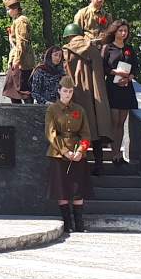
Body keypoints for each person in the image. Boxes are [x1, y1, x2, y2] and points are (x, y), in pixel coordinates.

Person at [62, 22, 115, 173]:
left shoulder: (67, 51)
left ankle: (79, 167)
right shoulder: (93, 49)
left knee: (78, 131)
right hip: (95, 96)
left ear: (69, 36)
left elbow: (66, 74)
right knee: (95, 128)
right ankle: (99, 165)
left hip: (77, 95)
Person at [45, 75, 91, 235]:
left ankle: (79, 224)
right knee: (62, 190)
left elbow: (86, 134)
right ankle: (67, 224)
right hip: (58, 154)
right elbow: (51, 133)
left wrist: (80, 151)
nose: (67, 94)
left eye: (70, 91)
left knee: (78, 190)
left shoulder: (80, 110)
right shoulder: (52, 109)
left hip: (77, 153)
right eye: (65, 91)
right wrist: (65, 151)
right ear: (59, 91)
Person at [101, 20, 138, 161]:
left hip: (126, 88)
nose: (123, 33)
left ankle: (117, 154)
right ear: (114, 31)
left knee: (121, 122)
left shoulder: (129, 49)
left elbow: (135, 67)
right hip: (112, 87)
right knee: (114, 120)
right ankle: (113, 152)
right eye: (120, 30)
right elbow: (102, 67)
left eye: (125, 31)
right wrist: (115, 72)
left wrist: (129, 78)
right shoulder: (107, 48)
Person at [1, 0, 34, 103]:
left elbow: (22, 42)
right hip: (18, 59)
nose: (7, 12)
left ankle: (29, 111)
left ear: (15, 9)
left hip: (22, 63)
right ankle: (18, 112)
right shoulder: (17, 21)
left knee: (23, 90)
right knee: (12, 91)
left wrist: (17, 61)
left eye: (8, 9)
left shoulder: (21, 21)